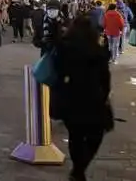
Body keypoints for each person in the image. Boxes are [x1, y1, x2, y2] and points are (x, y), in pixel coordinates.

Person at [52, 16, 113, 180]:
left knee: (75, 136)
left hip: (70, 98)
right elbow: (105, 78)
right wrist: (105, 96)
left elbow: (58, 70)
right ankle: (80, 169)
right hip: (92, 98)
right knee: (95, 135)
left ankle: (77, 169)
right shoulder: (97, 50)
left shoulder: (65, 48)